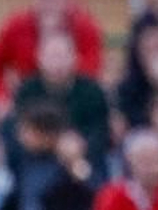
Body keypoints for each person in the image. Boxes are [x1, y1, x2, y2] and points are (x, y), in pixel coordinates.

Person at [0, 0, 103, 106]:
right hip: (26, 102)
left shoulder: (85, 26)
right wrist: (1, 98)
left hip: (73, 102)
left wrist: (57, 65)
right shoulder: (15, 25)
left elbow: (92, 71)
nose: (48, 4)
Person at [11, 34, 110, 173]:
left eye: (63, 56)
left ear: (75, 58)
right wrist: (53, 143)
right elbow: (18, 131)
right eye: (52, 56)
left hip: (84, 158)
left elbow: (100, 130)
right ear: (39, 58)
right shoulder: (27, 90)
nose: (57, 63)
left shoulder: (92, 91)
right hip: (37, 159)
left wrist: (80, 145)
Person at [0, 102, 96, 210]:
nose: (21, 137)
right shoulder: (24, 164)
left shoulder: (69, 166)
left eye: (28, 131)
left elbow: (90, 200)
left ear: (46, 134)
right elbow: (11, 207)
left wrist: (74, 163)